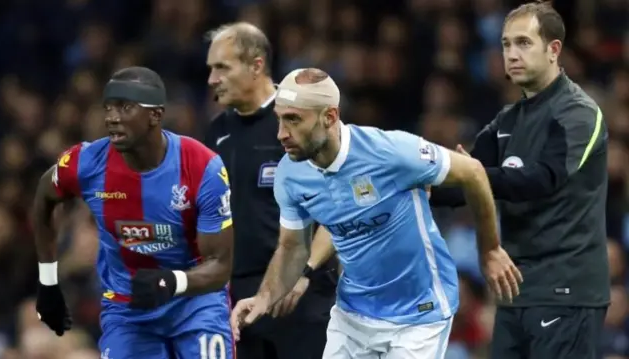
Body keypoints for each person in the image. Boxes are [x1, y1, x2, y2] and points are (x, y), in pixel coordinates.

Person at [231, 67, 523, 359]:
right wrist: (264, 297)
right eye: (279, 119)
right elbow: (292, 246)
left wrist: (491, 249)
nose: (282, 133)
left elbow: (472, 171)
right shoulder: (290, 174)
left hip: (419, 313)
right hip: (353, 315)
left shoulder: (390, 152)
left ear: (329, 117)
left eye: (293, 119)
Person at [430, 2, 610, 358]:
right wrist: (406, 184)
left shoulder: (578, 113)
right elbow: (460, 188)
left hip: (567, 290)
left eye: (524, 43)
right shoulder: (507, 121)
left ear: (553, 49)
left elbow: (542, 180)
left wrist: (474, 174)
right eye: (506, 44)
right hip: (515, 291)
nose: (511, 54)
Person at [33, 66, 235, 358]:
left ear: (156, 115)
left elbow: (220, 265)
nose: (111, 117)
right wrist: (48, 281)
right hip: (128, 311)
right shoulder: (86, 163)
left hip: (196, 304)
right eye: (108, 108)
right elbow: (43, 197)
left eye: (125, 107)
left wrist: (171, 281)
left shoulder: (204, 167)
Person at [203, 22, 338, 359]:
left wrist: (305, 272)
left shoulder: (303, 118)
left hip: (300, 294)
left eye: (222, 67)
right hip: (238, 301)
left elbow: (341, 202)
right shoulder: (215, 133)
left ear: (256, 65)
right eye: (210, 69)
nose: (212, 79)